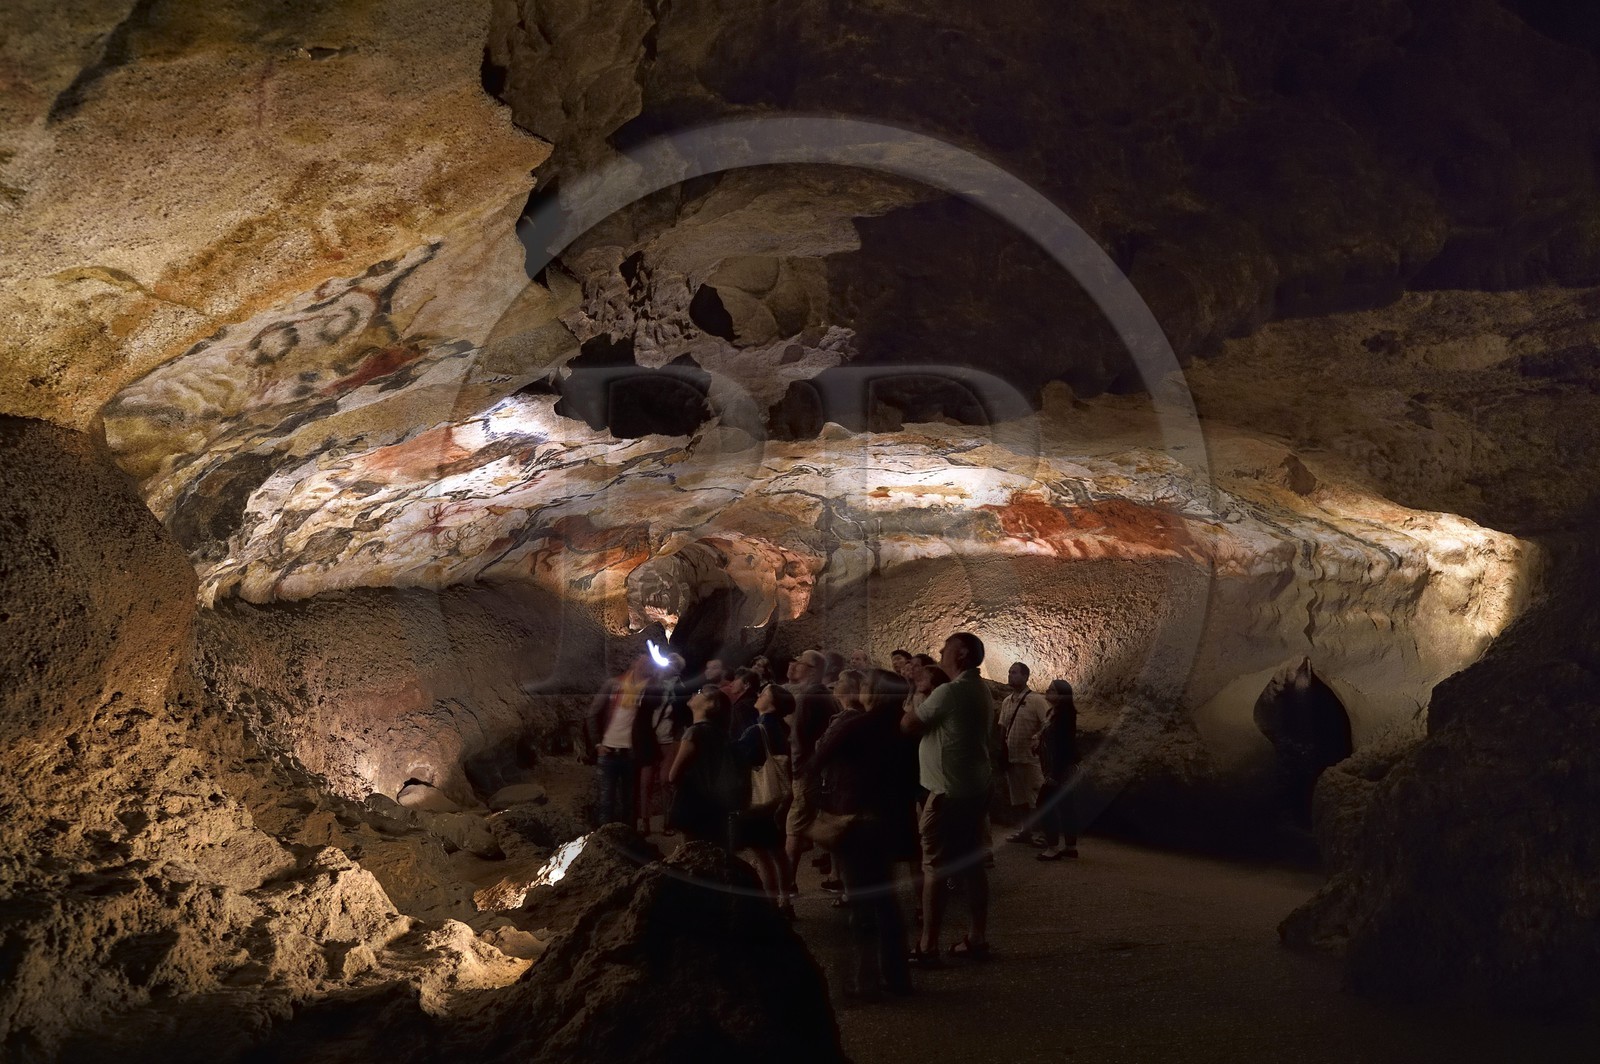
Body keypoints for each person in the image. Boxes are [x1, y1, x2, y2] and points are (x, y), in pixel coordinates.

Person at [808, 668, 916, 998]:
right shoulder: (904, 730)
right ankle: (896, 976)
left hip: (856, 822)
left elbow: (817, 761)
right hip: (890, 822)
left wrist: (822, 803)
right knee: (886, 901)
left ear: (875, 693)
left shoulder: (856, 726)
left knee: (861, 905)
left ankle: (865, 979)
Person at [901, 632, 994, 964]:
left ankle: (928, 946)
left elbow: (908, 725)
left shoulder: (949, 692)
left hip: (947, 792)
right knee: (971, 864)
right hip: (973, 788)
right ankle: (977, 937)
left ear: (962, 653)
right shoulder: (980, 689)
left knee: (935, 868)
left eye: (946, 649)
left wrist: (919, 691)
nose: (940, 653)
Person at [737, 682, 796, 914]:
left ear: (772, 703)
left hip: (760, 799)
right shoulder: (781, 728)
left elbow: (740, 756)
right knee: (778, 852)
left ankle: (771, 906)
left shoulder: (757, 730)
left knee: (763, 856)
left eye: (763, 693)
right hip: (778, 797)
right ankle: (785, 900)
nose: (759, 695)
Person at [667, 686, 749, 850]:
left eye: (700, 693)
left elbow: (673, 775)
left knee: (692, 853)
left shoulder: (694, 733)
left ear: (710, 704)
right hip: (717, 806)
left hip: (693, 805)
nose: (694, 693)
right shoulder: (722, 734)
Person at [785, 649, 840, 892]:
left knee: (795, 828)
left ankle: (787, 884)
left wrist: (797, 771)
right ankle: (836, 877)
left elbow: (798, 739)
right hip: (823, 771)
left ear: (813, 669)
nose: (796, 665)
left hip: (808, 772)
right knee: (828, 822)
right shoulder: (826, 695)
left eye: (801, 662)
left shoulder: (808, 697)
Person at [583, 653, 659, 828]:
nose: (643, 665)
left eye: (647, 663)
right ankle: (604, 839)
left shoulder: (649, 690)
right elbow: (592, 714)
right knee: (606, 801)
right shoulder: (614, 685)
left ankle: (628, 837)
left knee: (629, 802)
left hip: (630, 753)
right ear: (634, 663)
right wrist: (597, 744)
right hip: (608, 751)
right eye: (641, 661)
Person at [636, 652, 688, 835]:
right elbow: (642, 714)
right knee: (646, 783)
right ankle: (645, 822)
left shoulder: (680, 689)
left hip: (668, 740)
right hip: (650, 740)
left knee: (666, 781)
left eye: (673, 664)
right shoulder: (652, 685)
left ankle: (668, 822)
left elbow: (683, 717)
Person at [998, 662, 1049, 841]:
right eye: (1009, 672)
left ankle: (1041, 834)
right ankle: (1025, 831)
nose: (1010, 675)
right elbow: (1003, 727)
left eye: (1015, 673)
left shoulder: (1036, 700)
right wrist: (1001, 748)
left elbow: (1047, 723)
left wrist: (1038, 738)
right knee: (1019, 798)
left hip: (1030, 758)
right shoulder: (1007, 701)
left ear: (1026, 676)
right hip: (1013, 758)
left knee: (1036, 797)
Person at [1035, 680, 1081, 860]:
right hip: (1053, 767)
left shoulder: (1065, 716)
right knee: (1065, 805)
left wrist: (1055, 774)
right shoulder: (1051, 713)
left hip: (1059, 770)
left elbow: (1064, 747)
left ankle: (1052, 847)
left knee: (1043, 804)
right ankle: (1070, 846)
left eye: (1052, 690)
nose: (1048, 691)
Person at [727, 667, 761, 738]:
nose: (731, 684)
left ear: (746, 685)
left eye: (735, 680)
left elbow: (744, 734)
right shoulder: (757, 702)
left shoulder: (742, 706)